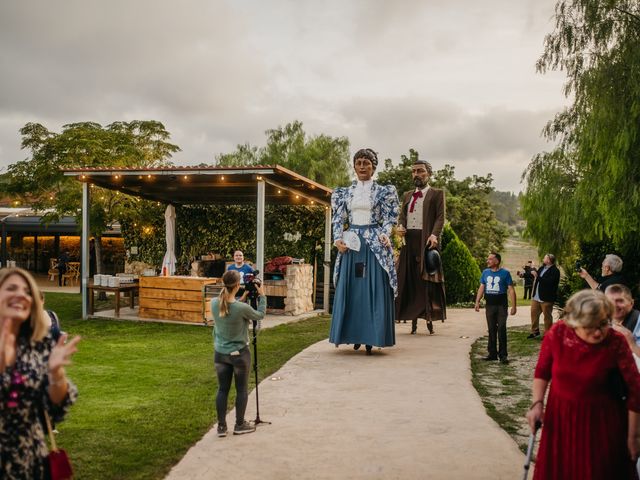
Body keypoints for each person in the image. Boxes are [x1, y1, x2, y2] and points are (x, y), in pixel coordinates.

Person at [525, 289, 640, 479]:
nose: (598, 332)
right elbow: (543, 371)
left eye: (603, 324)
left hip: (603, 423)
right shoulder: (558, 333)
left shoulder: (616, 341)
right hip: (561, 421)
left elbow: (635, 390)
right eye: (590, 326)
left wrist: (633, 436)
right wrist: (537, 404)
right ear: (574, 323)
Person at [0, 268, 80, 478]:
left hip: (30, 462)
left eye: (27, 291)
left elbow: (56, 407)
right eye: (11, 288)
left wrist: (56, 375)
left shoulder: (38, 345)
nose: (21, 295)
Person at [329, 148, 399, 355]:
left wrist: (386, 233)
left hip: (374, 243)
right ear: (354, 166)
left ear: (373, 167)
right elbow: (337, 219)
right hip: (351, 244)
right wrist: (337, 240)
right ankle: (353, 334)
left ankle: (372, 336)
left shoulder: (385, 191)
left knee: (373, 288)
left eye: (366, 163)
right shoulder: (343, 193)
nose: (362, 167)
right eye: (358, 162)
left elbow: (389, 218)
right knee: (353, 291)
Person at [211, 270, 266, 437]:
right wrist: (262, 296)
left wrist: (242, 298)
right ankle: (239, 424)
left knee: (223, 389)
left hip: (220, 354)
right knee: (241, 390)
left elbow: (229, 308)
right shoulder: (242, 308)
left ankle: (221, 427)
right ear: (237, 285)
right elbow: (260, 314)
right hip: (239, 355)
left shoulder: (214, 303)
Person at [395, 159, 446, 335]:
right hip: (409, 242)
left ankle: (430, 319)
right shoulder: (407, 195)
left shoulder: (437, 193)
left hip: (427, 242)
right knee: (409, 280)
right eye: (414, 171)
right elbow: (402, 216)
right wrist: (400, 227)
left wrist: (434, 235)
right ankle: (412, 321)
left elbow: (441, 217)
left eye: (420, 171)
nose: (416, 174)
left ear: (428, 174)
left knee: (426, 282)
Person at [474, 252, 516, 364]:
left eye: (490, 259)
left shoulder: (505, 273)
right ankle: (492, 354)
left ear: (497, 261)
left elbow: (511, 289)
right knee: (491, 329)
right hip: (490, 305)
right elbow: (482, 287)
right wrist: (477, 301)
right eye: (488, 259)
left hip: (501, 305)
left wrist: (514, 306)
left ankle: (503, 355)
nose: (487, 261)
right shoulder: (485, 272)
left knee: (501, 329)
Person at [527, 254, 561, 339]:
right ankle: (535, 332)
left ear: (549, 260)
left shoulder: (555, 271)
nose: (543, 259)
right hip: (536, 297)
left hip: (547, 298)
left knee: (547, 317)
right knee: (533, 314)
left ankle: (548, 334)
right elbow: (534, 275)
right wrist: (523, 275)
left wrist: (537, 277)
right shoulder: (542, 268)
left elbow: (549, 282)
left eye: (545, 258)